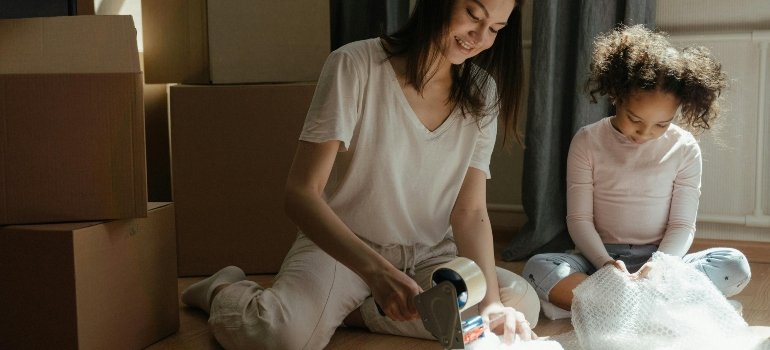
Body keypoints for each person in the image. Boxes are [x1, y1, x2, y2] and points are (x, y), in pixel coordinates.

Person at [180, 0, 541, 349]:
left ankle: (355, 310)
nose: (479, 36)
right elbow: (301, 192)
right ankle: (223, 289)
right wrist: (377, 273)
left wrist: (491, 304)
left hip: (430, 255)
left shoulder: (482, 92)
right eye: (473, 15)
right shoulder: (355, 64)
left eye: (495, 28)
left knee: (518, 303)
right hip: (344, 250)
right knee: (280, 337)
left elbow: (470, 212)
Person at [522, 24, 752, 320]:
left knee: (734, 266)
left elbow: (682, 225)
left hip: (662, 262)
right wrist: (605, 264)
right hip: (599, 261)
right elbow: (579, 219)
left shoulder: (684, 148)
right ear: (616, 96)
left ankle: (611, 306)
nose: (644, 133)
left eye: (661, 124)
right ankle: (656, 307)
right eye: (634, 119)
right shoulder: (587, 140)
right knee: (538, 267)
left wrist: (658, 265)